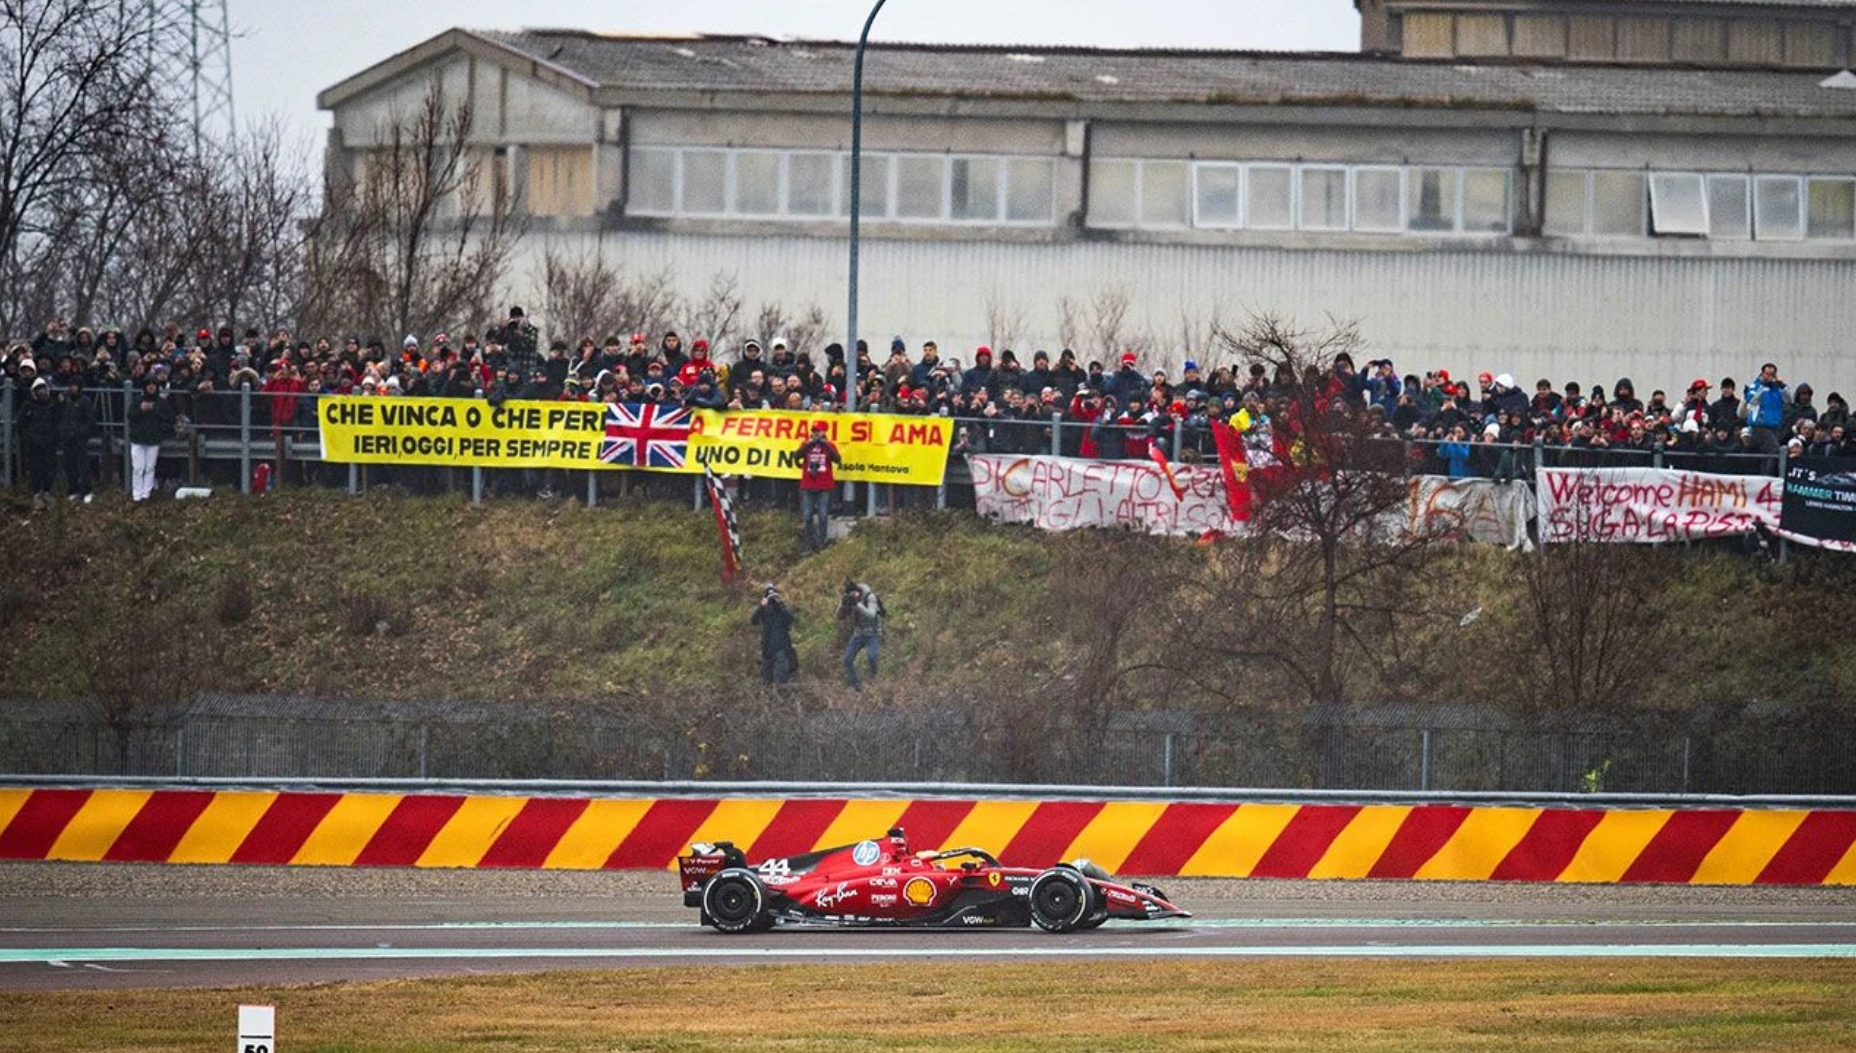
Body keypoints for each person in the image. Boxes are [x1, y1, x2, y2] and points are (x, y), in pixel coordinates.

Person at [126, 377, 175, 502]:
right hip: (138, 438)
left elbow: (169, 419)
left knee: (150, 467)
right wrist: (141, 410)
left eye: (154, 384)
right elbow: (131, 416)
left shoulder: (162, 402)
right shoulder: (138, 400)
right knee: (138, 468)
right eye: (148, 384)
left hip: (154, 439)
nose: (151, 387)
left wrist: (160, 428)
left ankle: (146, 494)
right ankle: (136, 495)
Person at [796, 421, 840, 552]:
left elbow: (837, 459)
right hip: (808, 485)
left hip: (824, 485)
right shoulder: (806, 444)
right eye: (813, 431)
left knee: (823, 515)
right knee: (807, 515)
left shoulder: (829, 445)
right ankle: (809, 542)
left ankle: (822, 542)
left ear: (823, 432)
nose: (815, 433)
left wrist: (825, 444)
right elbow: (797, 456)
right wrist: (809, 443)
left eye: (818, 431)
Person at [839, 578, 884, 690]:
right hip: (858, 634)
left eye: (855, 594)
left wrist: (858, 605)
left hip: (873, 633)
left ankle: (874, 682)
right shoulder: (849, 598)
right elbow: (839, 616)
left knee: (872, 657)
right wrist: (843, 604)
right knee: (847, 659)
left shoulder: (870, 597)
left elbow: (872, 614)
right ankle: (854, 684)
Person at [751, 583, 798, 685]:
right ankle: (769, 697)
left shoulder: (782, 610)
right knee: (766, 680)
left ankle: (782, 697)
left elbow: (791, 618)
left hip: (781, 647)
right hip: (767, 649)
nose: (772, 600)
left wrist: (780, 603)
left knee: (781, 679)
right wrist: (761, 607)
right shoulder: (764, 611)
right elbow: (753, 621)